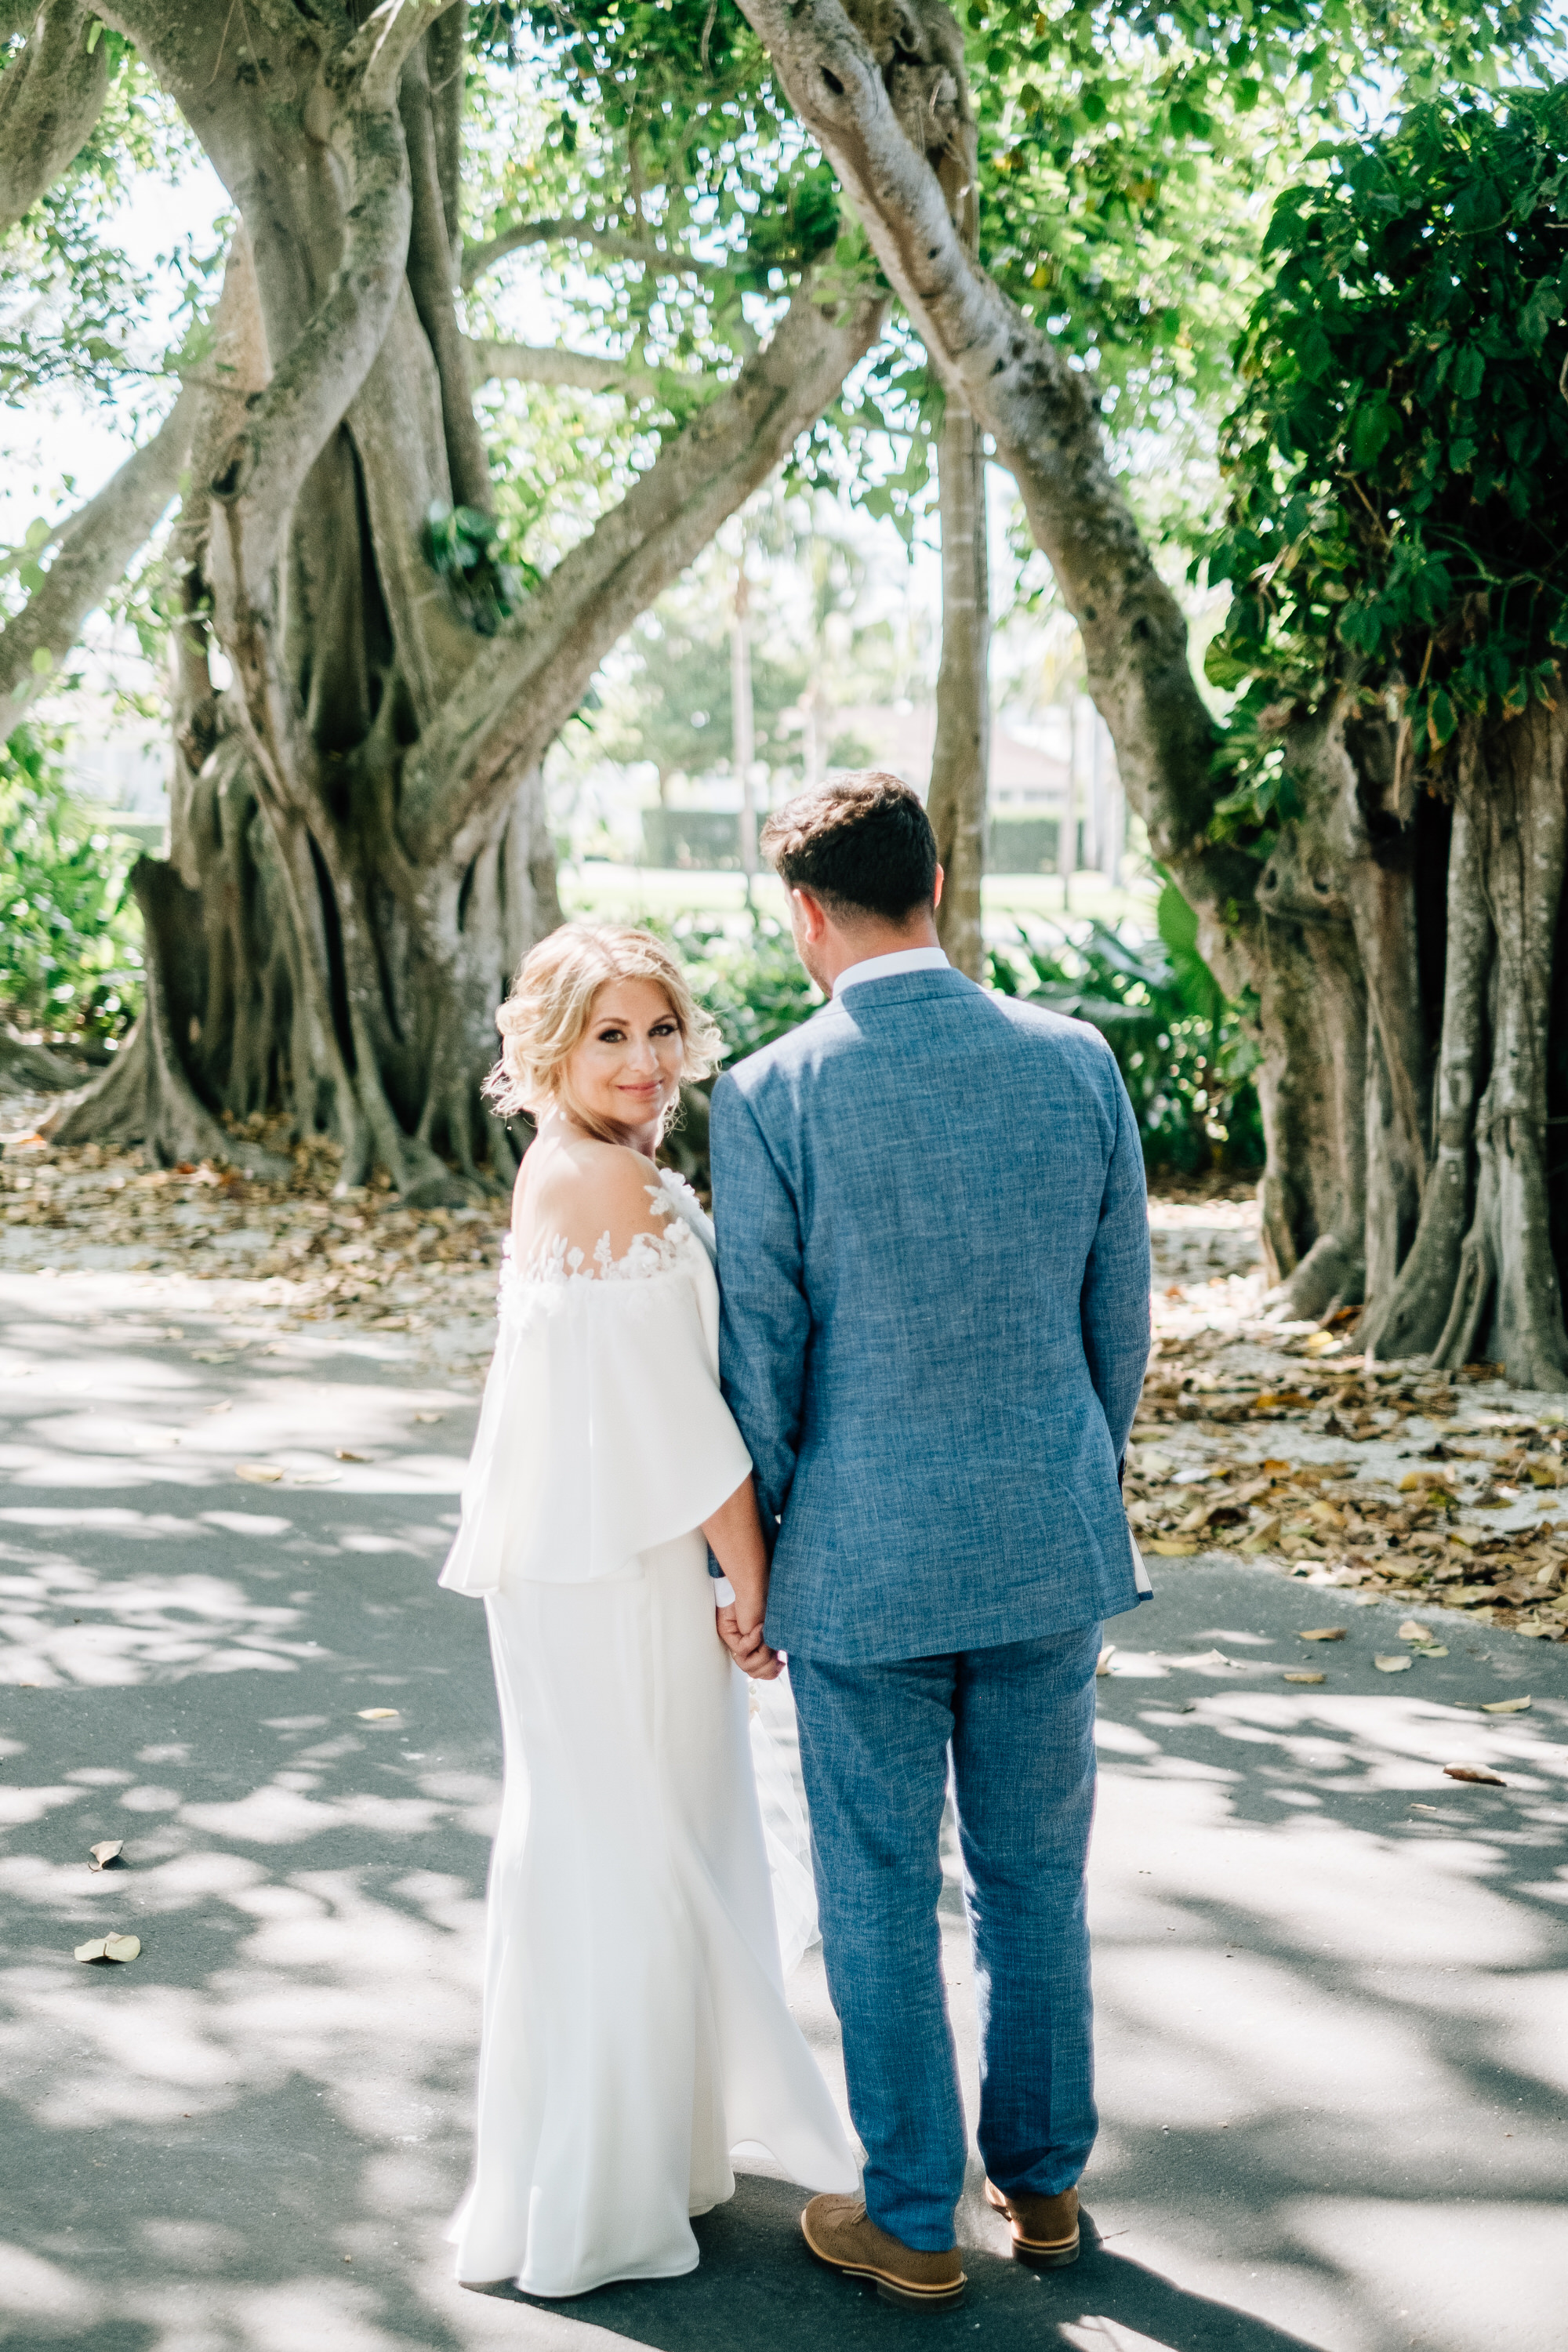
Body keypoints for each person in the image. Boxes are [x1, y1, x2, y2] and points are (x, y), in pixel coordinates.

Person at [710, 774, 1152, 2312]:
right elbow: (1120, 1325)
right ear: (939, 885)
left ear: (806, 917)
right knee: (1037, 1881)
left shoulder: (770, 1093)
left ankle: (910, 2218)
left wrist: (748, 1566)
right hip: (1048, 1535)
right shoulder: (1075, 1060)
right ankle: (1042, 2192)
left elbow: (760, 1361)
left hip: (861, 1561)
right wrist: (1069, 1478)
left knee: (881, 1890)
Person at [437, 924, 855, 2299]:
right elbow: (685, 1427)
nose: (643, 1060)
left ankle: (638, 2154)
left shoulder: (596, 1168)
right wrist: (754, 1576)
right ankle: (604, 2192)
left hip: (605, 1554)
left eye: (660, 1030)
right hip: (614, 1572)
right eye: (610, 1034)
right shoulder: (596, 1186)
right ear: (549, 1047)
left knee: (636, 1833)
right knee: (622, 1845)